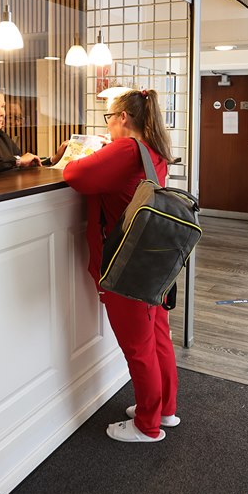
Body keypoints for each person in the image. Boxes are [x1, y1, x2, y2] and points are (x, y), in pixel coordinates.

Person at [62, 89, 179, 443]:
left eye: (108, 119)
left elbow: (75, 175)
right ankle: (165, 410)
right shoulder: (153, 150)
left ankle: (147, 425)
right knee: (158, 337)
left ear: (123, 117)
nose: (108, 125)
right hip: (153, 260)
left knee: (137, 348)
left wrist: (89, 152)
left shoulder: (126, 148)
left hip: (127, 264)